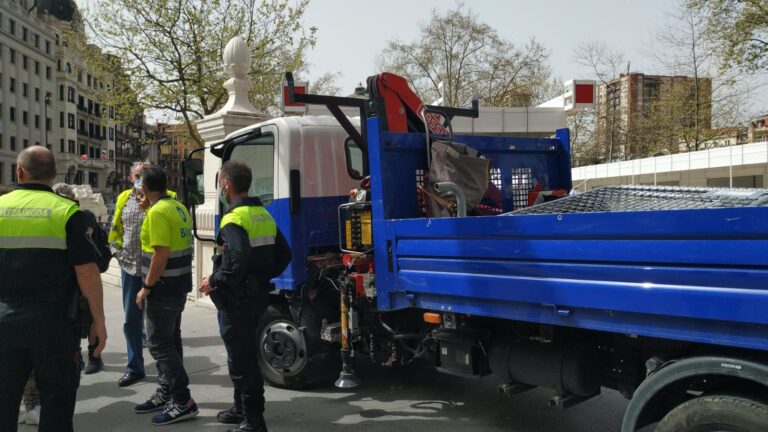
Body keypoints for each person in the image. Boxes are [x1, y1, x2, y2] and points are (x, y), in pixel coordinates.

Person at [0, 146, 107, 432]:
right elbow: (87, 271)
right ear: (54, 174)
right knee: (57, 408)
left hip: (4, 323)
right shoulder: (67, 212)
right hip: (56, 326)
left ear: (19, 172)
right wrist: (99, 320)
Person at [200, 161, 291, 432]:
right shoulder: (263, 214)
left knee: (242, 361)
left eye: (220, 184)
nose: (220, 189)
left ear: (227, 184)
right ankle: (241, 408)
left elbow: (235, 262)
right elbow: (284, 255)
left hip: (237, 300)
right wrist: (260, 277)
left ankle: (253, 420)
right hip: (257, 297)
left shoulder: (233, 218)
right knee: (244, 355)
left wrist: (213, 280)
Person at [133, 165, 198, 426]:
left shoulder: (158, 212)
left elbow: (160, 253)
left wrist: (147, 286)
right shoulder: (178, 206)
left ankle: (182, 400)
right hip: (178, 285)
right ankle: (167, 391)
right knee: (172, 340)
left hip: (161, 289)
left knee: (160, 344)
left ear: (146, 188)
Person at [52, 182, 104, 375]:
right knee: (79, 320)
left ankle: (94, 357)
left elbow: (85, 241)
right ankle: (83, 355)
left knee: (90, 318)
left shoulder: (83, 216)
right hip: (71, 277)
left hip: (85, 275)